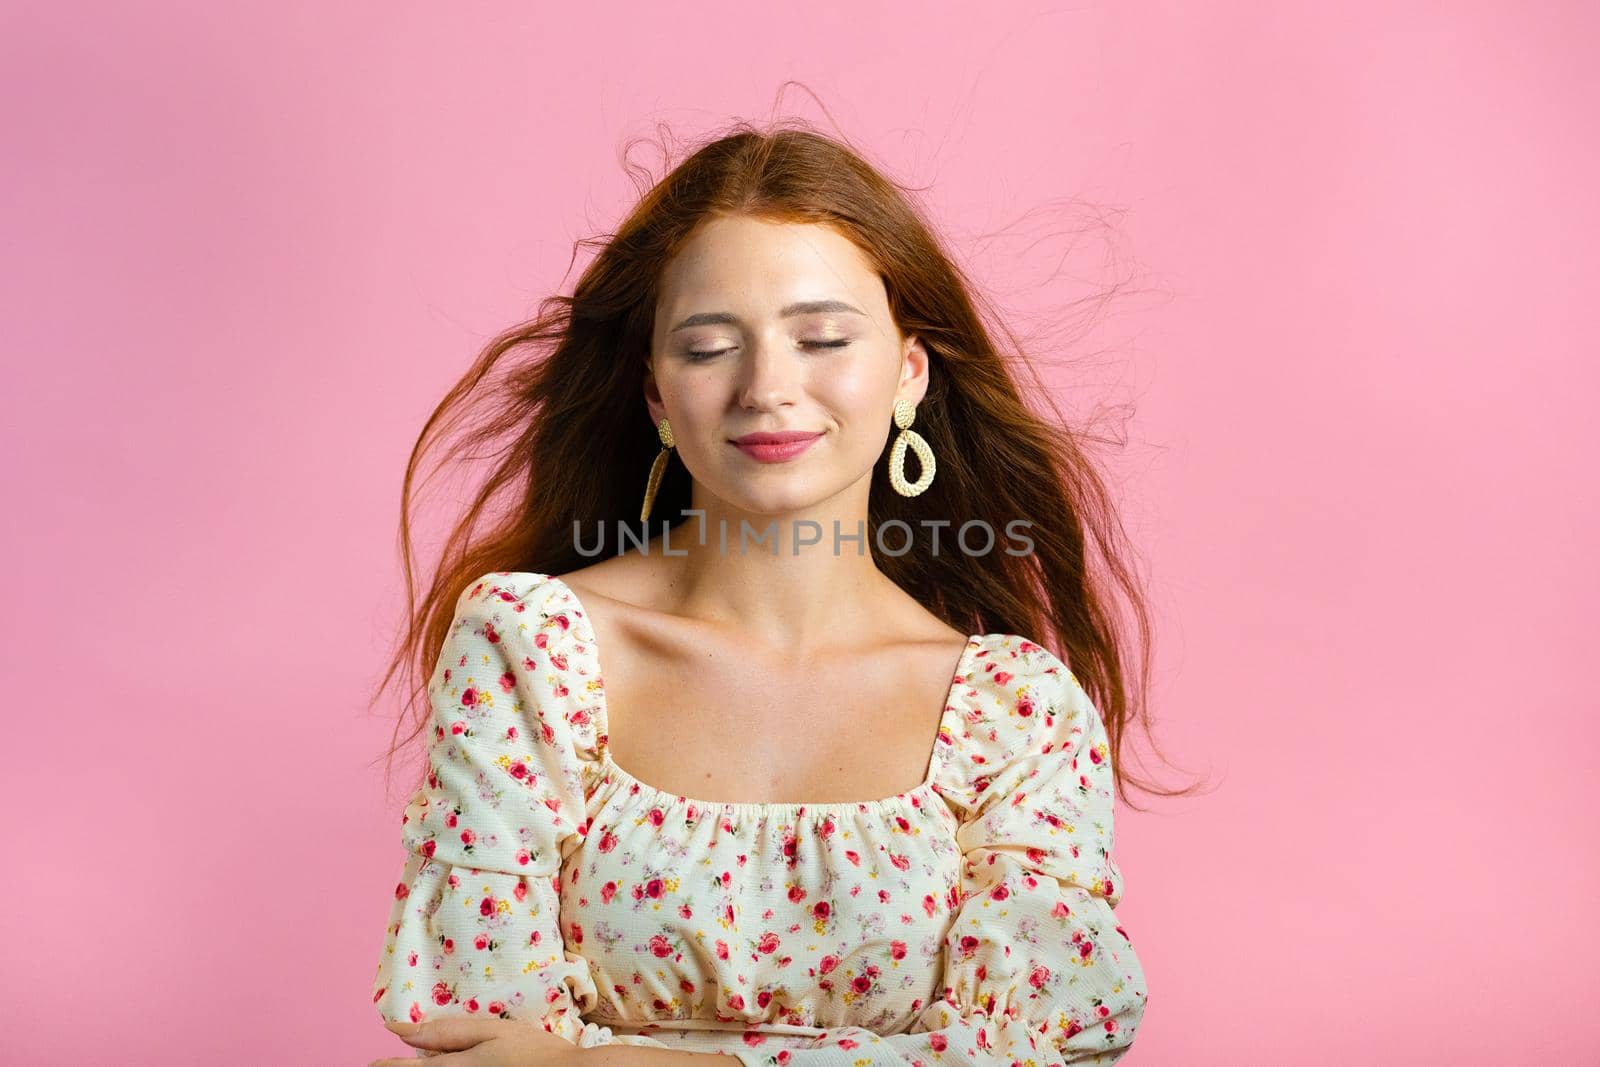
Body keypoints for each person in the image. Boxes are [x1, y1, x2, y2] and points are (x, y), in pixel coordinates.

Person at [368, 123, 1166, 1066]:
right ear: (658, 396)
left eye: (822, 336)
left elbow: (1056, 1047)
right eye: (708, 349)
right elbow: (472, 1033)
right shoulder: (529, 647)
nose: (767, 387)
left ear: (909, 372)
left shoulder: (1017, 713)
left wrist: (613, 1061)